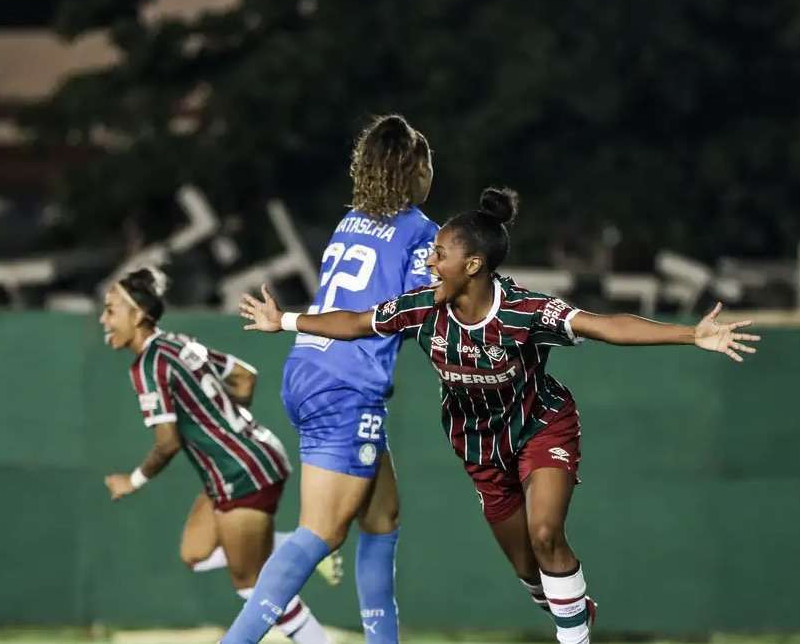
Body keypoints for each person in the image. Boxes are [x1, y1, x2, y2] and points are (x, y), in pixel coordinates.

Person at [237, 187, 760, 644]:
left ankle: (573, 636)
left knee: (546, 534)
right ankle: (573, 610)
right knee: (530, 571)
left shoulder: (525, 311)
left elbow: (607, 326)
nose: (428, 261)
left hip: (541, 427)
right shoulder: (423, 306)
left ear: (472, 265)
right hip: (479, 447)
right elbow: (354, 322)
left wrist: (693, 334)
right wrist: (282, 319)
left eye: (439, 254)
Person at [222, 114, 439, 644]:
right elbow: (413, 312)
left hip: (310, 369)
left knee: (382, 519)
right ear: (412, 170)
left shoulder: (351, 222)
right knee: (320, 531)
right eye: (427, 162)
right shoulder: (420, 232)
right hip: (346, 385)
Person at [99, 267, 335, 644]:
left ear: (138, 315)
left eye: (111, 310)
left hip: (243, 472)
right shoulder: (178, 343)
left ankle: (316, 637)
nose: (103, 319)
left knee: (251, 585)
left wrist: (133, 480)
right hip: (242, 462)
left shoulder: (148, 365)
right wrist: (223, 422)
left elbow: (167, 442)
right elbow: (245, 376)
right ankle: (292, 544)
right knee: (195, 553)